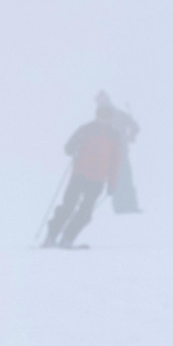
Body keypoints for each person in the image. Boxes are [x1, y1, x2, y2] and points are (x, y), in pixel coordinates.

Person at [44, 105, 124, 248]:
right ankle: (51, 237)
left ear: (111, 118)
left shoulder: (114, 136)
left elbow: (115, 161)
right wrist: (74, 148)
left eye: (107, 116)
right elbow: (68, 147)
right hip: (80, 174)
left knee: (86, 213)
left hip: (98, 179)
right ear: (97, 116)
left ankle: (67, 239)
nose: (104, 119)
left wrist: (112, 183)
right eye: (101, 116)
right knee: (67, 207)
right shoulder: (87, 129)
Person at [95, 92, 143, 214]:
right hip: (116, 153)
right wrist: (131, 136)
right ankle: (128, 206)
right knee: (123, 178)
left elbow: (135, 126)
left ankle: (123, 207)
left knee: (119, 179)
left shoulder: (103, 118)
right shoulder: (113, 115)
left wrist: (131, 135)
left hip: (116, 153)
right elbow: (135, 126)